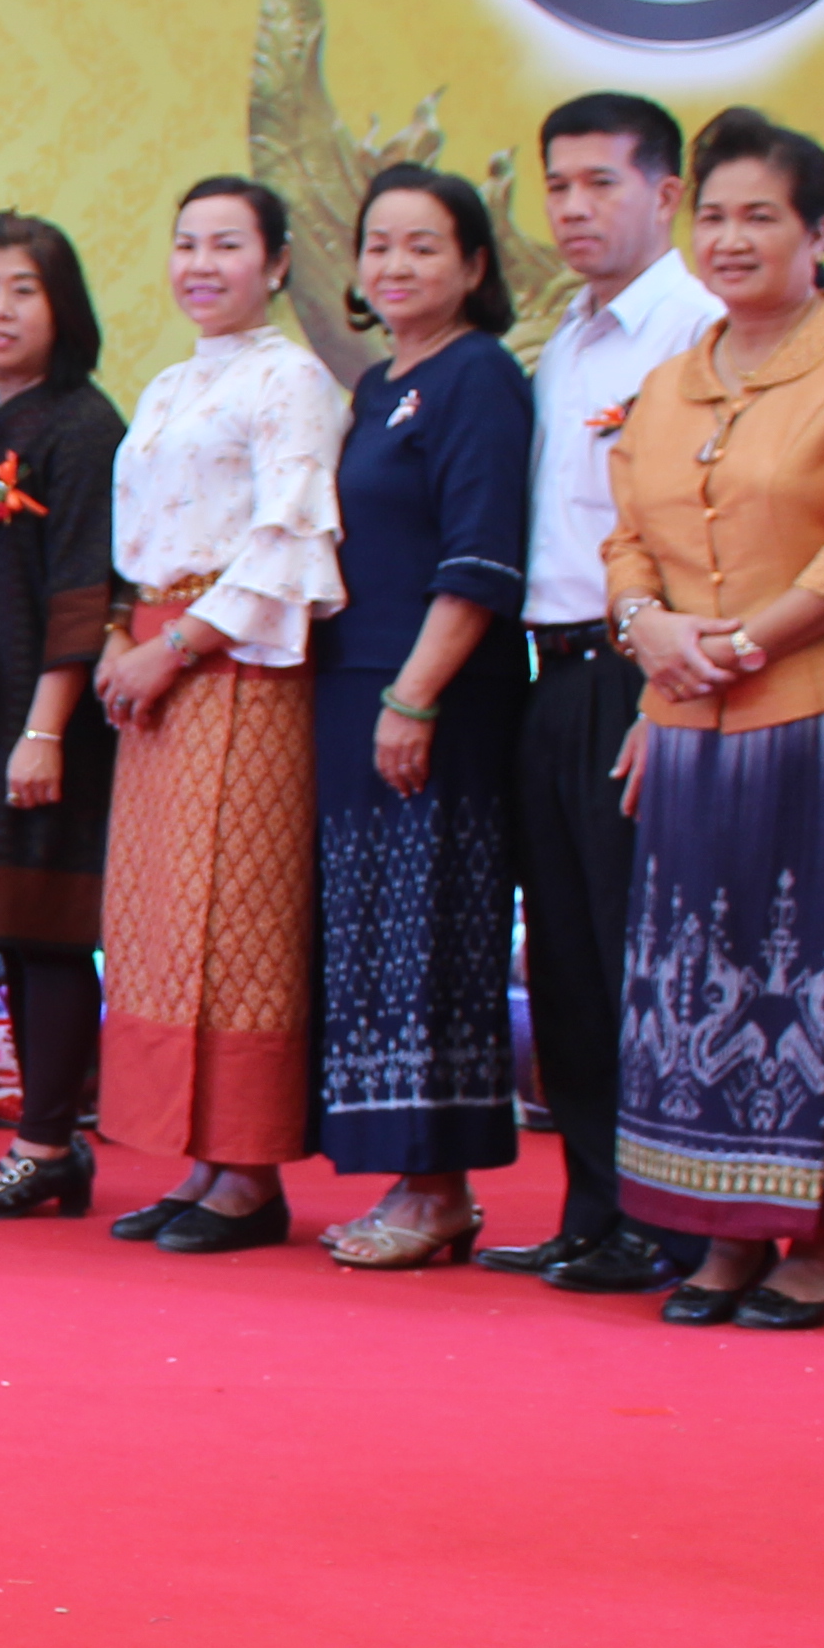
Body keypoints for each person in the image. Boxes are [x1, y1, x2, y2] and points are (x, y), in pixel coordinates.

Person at [605, 112, 824, 1333]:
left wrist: (743, 644)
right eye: (716, 217)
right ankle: (724, 1229)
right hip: (692, 719)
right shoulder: (672, 378)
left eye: (762, 216)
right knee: (696, 976)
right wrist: (648, 629)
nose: (733, 239)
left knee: (816, 975)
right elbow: (627, 535)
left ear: (819, 230)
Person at [491, 94, 726, 1292]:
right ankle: (593, 1205)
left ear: (667, 195)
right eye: (559, 186)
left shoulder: (698, 328)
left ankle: (672, 1219)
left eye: (602, 183)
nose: (574, 208)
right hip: (554, 673)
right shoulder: (566, 339)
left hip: (650, 679)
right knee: (569, 961)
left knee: (648, 955)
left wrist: (663, 698)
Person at [97, 176, 347, 1254]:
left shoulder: (294, 378)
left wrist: (179, 645)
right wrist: (123, 636)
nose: (202, 264)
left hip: (241, 661)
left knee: (238, 912)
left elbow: (289, 537)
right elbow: (134, 536)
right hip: (157, 658)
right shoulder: (166, 385)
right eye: (187, 242)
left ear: (278, 264)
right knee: (160, 914)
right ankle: (200, 1160)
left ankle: (249, 1169)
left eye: (228, 245)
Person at [309, 167, 535, 1267]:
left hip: (435, 697)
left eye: (424, 246)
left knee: (434, 933)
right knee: (372, 938)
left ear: (475, 265)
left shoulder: (478, 375)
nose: (395, 266)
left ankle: (438, 1187)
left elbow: (480, 557)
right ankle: (408, 1175)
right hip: (355, 688)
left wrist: (414, 695)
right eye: (379, 245)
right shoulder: (374, 386)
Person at [0, 214, 127, 1221]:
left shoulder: (83, 426)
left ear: (64, 309)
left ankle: (47, 1144)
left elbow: (85, 589)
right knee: (10, 929)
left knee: (50, 931)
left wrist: (45, 729)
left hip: (52, 723)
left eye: (23, 290)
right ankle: (47, 1143)